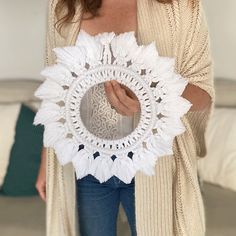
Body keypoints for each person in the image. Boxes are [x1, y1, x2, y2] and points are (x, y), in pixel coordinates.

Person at [35, 0, 215, 235]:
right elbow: (57, 91)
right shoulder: (63, 4)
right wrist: (46, 158)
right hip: (85, 164)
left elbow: (203, 93)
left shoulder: (181, 6)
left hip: (157, 164)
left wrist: (148, 94)